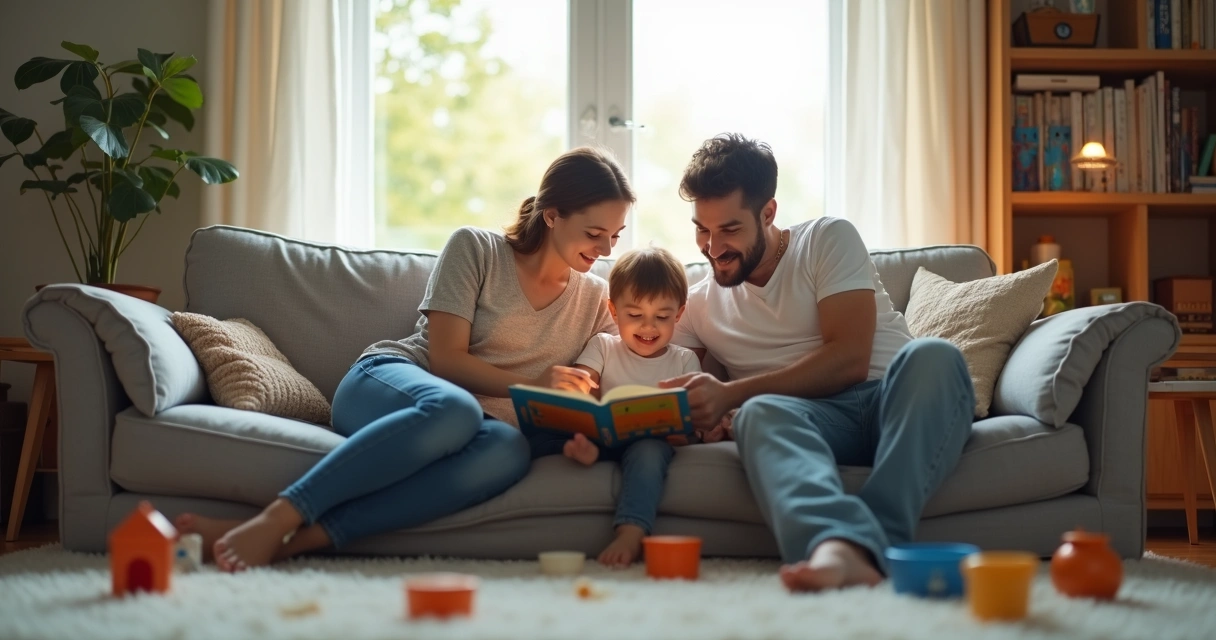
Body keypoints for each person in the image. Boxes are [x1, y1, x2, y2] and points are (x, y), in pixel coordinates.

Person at [177, 147, 635, 571]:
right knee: (454, 408)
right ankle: (277, 518)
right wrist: (537, 387)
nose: (607, 250)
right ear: (552, 215)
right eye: (595, 233)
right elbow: (447, 360)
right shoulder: (477, 249)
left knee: (510, 451)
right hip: (392, 385)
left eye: (616, 235)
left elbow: (616, 375)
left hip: (483, 430)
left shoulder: (598, 299)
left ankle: (297, 542)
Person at [661, 133, 975, 592]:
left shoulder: (826, 239)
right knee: (759, 413)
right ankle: (838, 547)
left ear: (767, 213)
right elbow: (667, 372)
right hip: (814, 421)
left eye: (729, 229)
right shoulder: (700, 306)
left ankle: (856, 546)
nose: (712, 247)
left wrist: (731, 392)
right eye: (701, 229)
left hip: (897, 400)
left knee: (934, 356)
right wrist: (694, 413)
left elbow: (849, 359)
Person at [524, 247, 701, 568]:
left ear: (678, 314)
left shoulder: (685, 359)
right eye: (635, 315)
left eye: (662, 316)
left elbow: (693, 413)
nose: (648, 327)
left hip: (651, 440)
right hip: (603, 435)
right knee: (539, 433)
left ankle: (631, 531)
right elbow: (582, 386)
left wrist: (684, 431)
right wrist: (581, 403)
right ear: (614, 310)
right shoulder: (603, 345)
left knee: (650, 450)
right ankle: (587, 450)